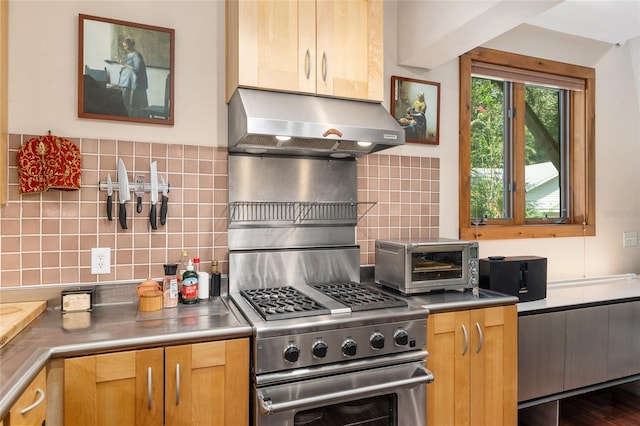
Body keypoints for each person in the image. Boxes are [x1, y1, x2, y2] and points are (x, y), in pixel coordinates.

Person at [118, 38, 149, 118]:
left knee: (133, 107)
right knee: (125, 105)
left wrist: (124, 64)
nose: (124, 48)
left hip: (133, 85)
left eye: (125, 46)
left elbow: (137, 69)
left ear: (130, 46)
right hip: (126, 83)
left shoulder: (137, 55)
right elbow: (127, 67)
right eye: (124, 46)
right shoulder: (128, 55)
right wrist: (122, 65)